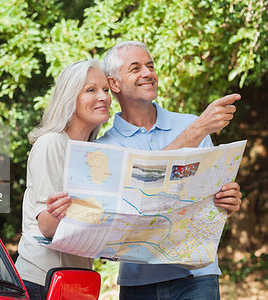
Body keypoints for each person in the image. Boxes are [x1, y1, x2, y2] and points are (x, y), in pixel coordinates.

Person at [98, 40, 243, 299]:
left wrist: (227, 201)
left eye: (150, 66)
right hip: (138, 283)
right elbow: (134, 199)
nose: (148, 73)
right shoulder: (106, 147)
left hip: (197, 277)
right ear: (115, 84)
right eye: (135, 68)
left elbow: (211, 204)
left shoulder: (190, 124)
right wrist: (197, 131)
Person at [15, 59, 112, 300]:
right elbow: (46, 227)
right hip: (41, 281)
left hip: (77, 283)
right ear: (70, 97)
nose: (103, 97)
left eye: (106, 90)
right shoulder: (51, 143)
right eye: (91, 90)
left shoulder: (96, 152)